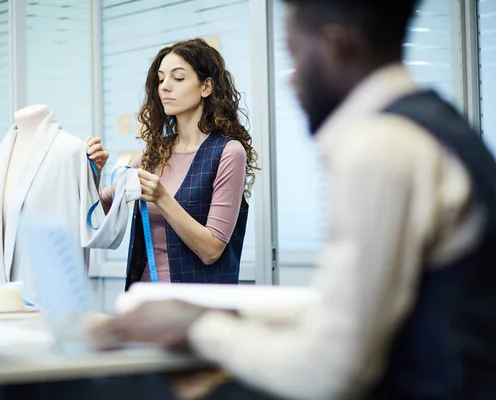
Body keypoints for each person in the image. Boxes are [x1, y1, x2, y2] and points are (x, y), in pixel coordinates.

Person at [89, 0, 496, 399]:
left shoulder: (379, 148)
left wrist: (198, 328)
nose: (291, 78)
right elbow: (366, 311)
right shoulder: (437, 129)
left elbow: (332, 368)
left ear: (335, 46)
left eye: (296, 55)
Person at [87, 38, 258, 289]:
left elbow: (212, 249)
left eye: (178, 78)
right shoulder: (154, 154)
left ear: (206, 87)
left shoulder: (228, 153)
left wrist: (161, 197)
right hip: (145, 296)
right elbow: (97, 211)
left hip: (198, 304)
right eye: (161, 79)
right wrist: (94, 173)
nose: (165, 86)